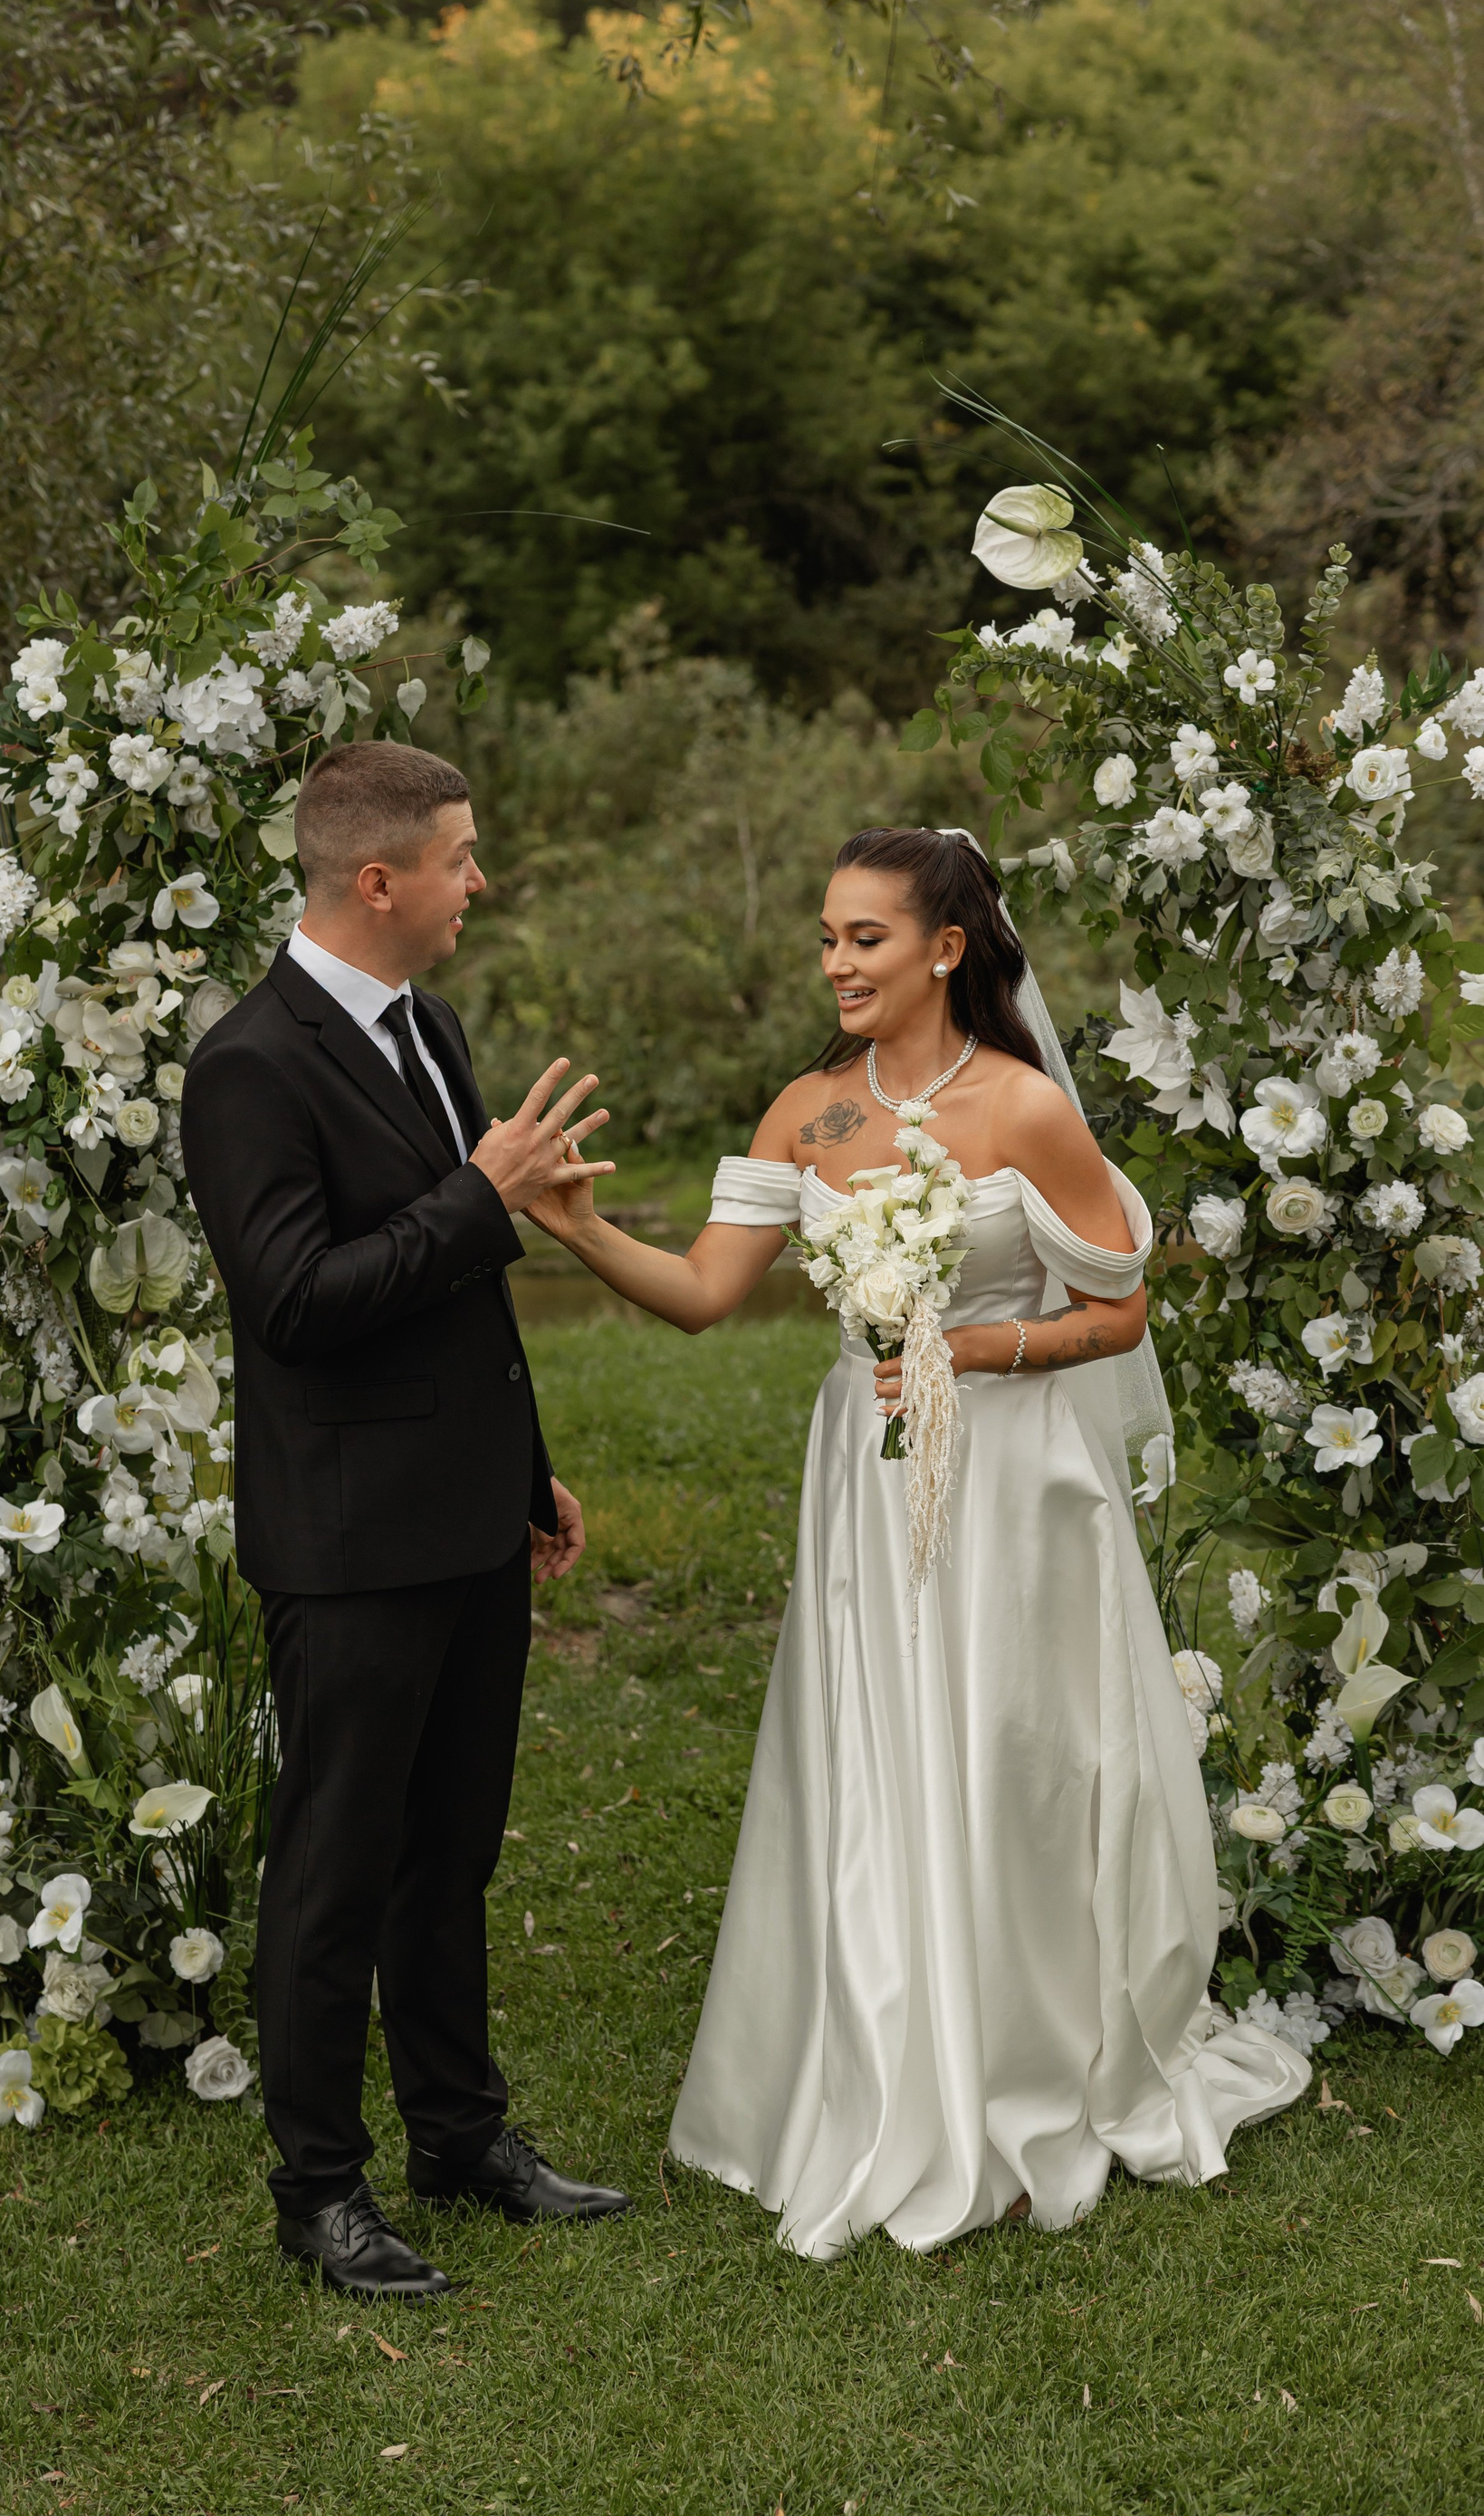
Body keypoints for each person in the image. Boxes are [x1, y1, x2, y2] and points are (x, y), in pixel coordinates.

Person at [525, 825, 1309, 2258]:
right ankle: (891, 2055)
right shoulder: (805, 1115)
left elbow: (1121, 1313)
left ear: (945, 949)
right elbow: (702, 1294)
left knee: (1014, 1754)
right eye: (827, 937)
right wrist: (577, 1229)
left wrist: (984, 1350)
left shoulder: (1025, 1110)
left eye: (865, 938)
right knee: (882, 1748)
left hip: (1015, 1481)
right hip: (868, 1473)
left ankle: (1025, 2072)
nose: (836, 962)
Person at [182, 738, 633, 2303]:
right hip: (350, 1543)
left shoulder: (428, 1026)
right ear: (377, 880)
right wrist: (480, 1195)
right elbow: (296, 1305)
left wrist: (525, 1473)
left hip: (464, 1521)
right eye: (459, 856)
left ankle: (460, 2133)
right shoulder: (248, 1066)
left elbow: (460, 1304)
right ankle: (319, 2191)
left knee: (449, 1855)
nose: (478, 882)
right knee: (335, 1869)